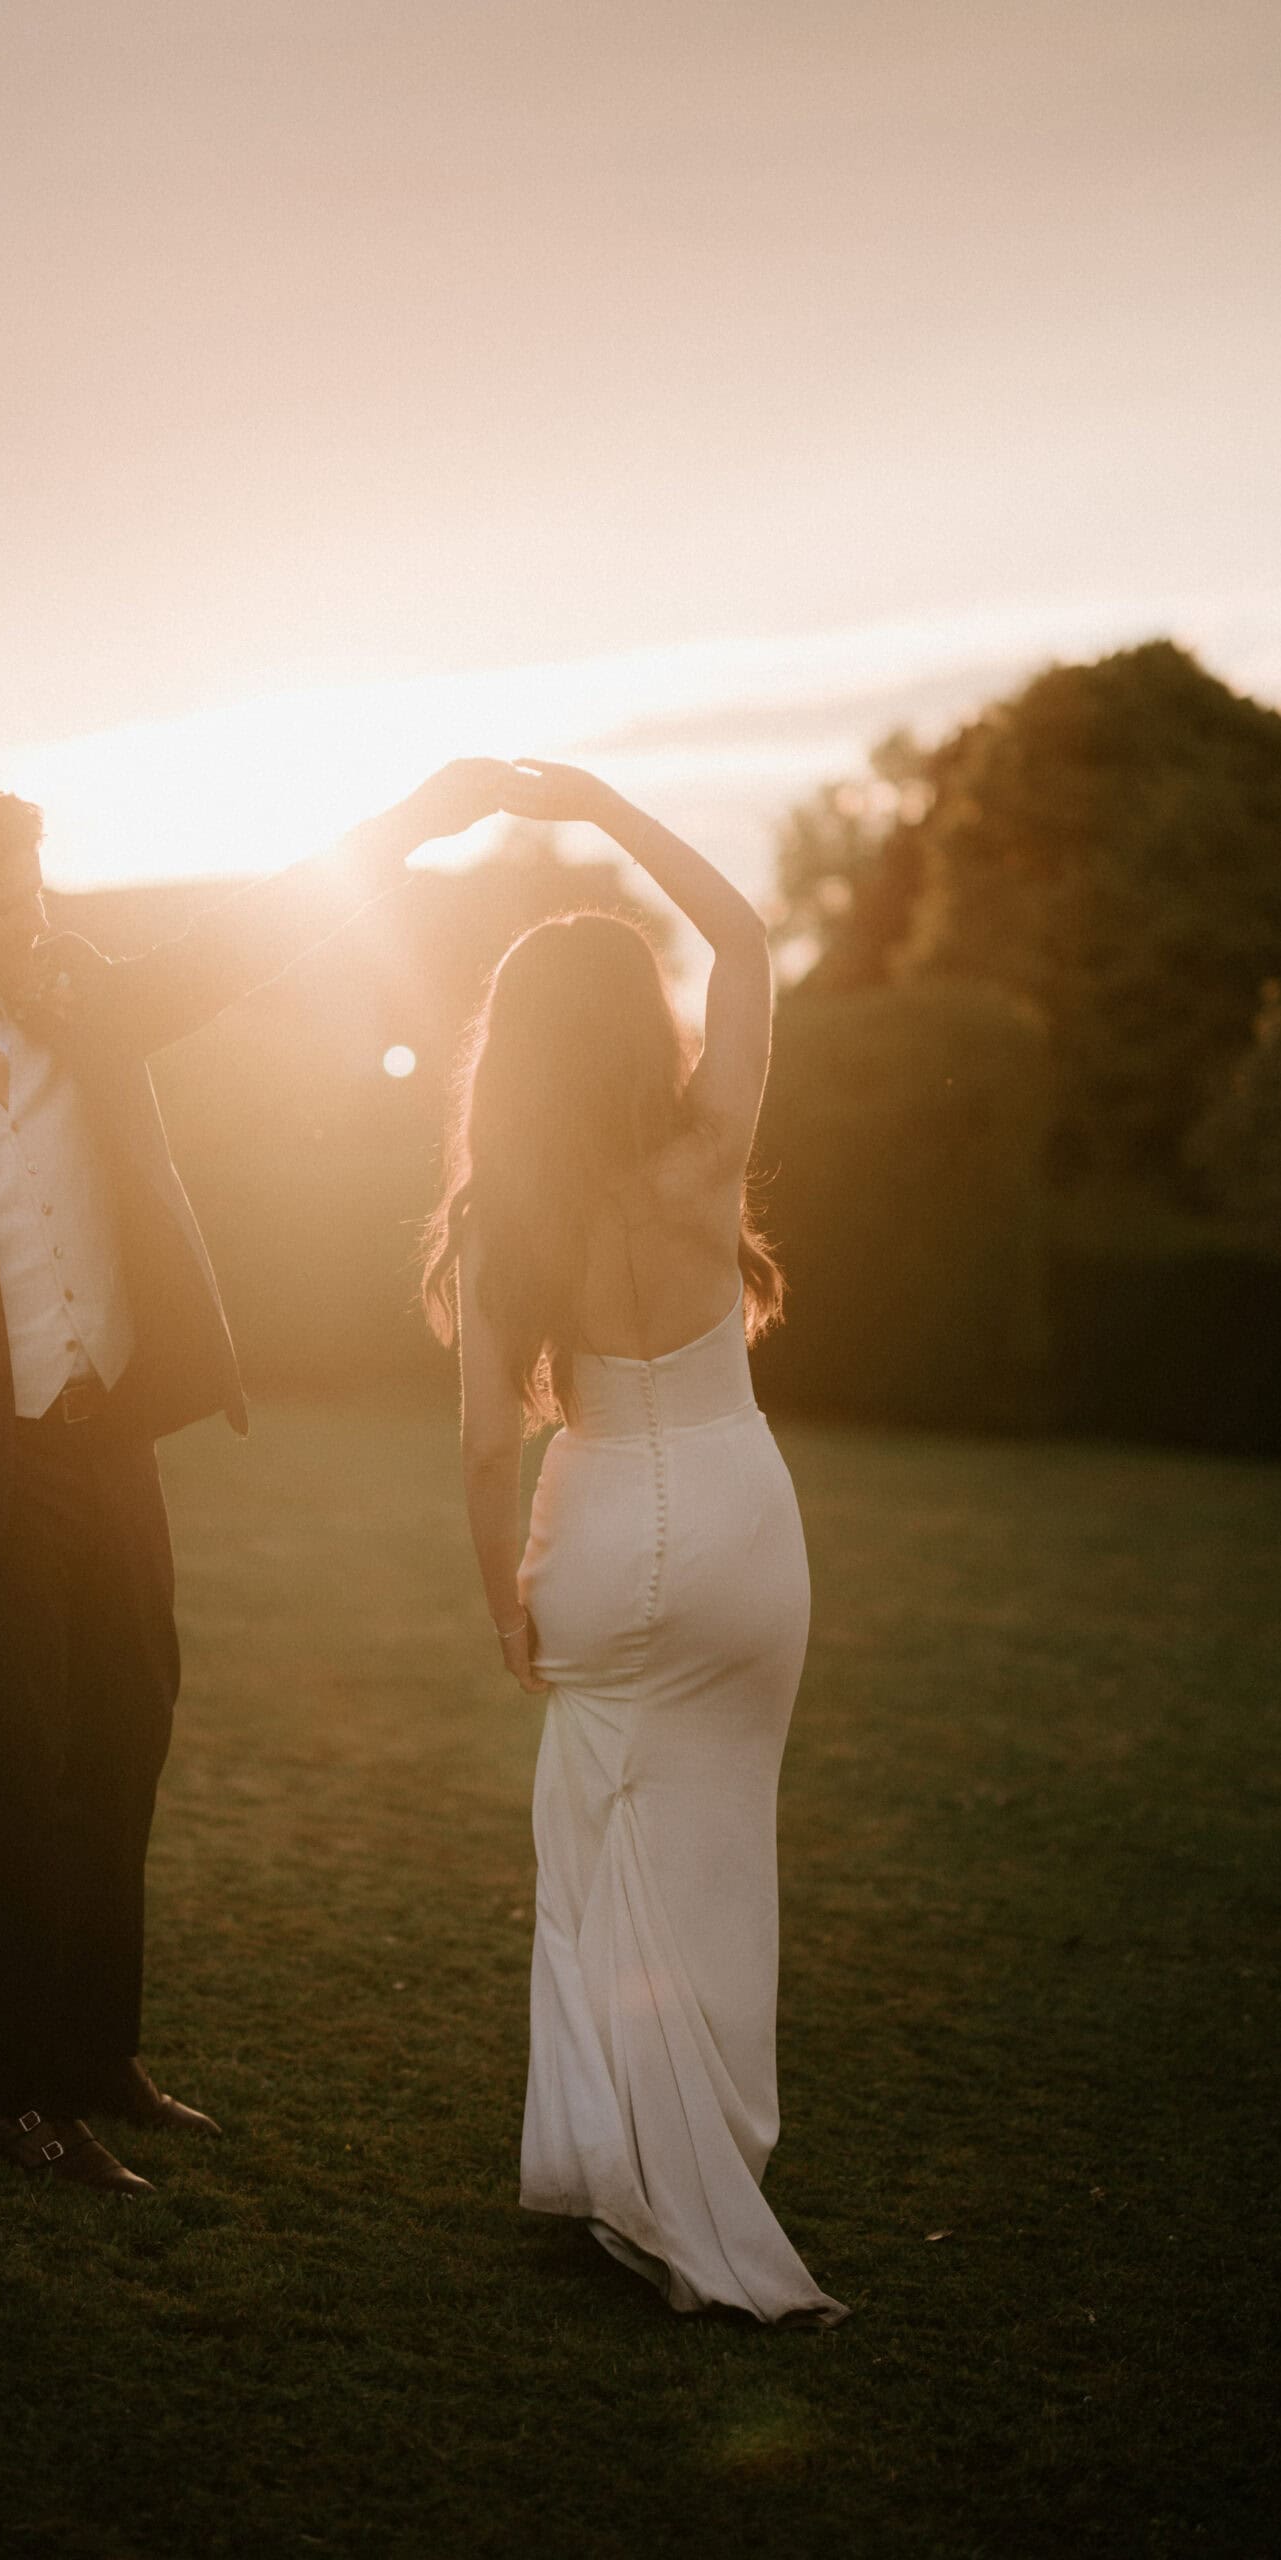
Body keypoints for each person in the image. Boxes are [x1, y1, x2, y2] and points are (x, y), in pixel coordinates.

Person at [0, 758, 514, 2196]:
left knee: (125, 1741)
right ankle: (7, 2100)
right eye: (12, 899)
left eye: (40, 890)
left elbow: (248, 934)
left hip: (106, 1453)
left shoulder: (77, 991)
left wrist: (414, 819)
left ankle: (96, 2060)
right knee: (17, 1777)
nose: (38, 917)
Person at [423, 759, 847, 2323]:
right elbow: (740, 940)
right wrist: (606, 811)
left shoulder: (497, 1215)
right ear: (640, 1019)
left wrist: (499, 1610)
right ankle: (703, 2156)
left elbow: (484, 1441)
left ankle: (617, 2170)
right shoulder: (704, 1146)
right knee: (720, 1850)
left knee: (597, 1847)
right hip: (742, 1525)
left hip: (598, 1528)